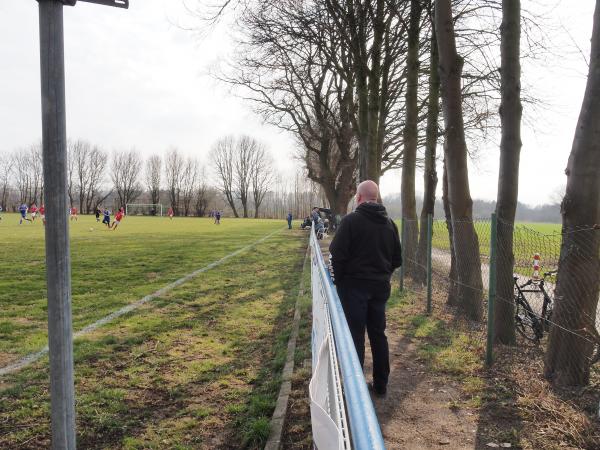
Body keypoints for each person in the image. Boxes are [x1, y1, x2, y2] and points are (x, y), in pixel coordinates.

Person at [329, 180, 402, 397]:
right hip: (380, 288)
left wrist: (339, 281)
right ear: (376, 198)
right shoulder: (390, 224)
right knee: (378, 335)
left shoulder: (351, 221)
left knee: (355, 336)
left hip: (353, 288)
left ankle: (355, 388)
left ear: (359, 198)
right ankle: (381, 385)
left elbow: (336, 255)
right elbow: (397, 260)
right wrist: (382, 275)